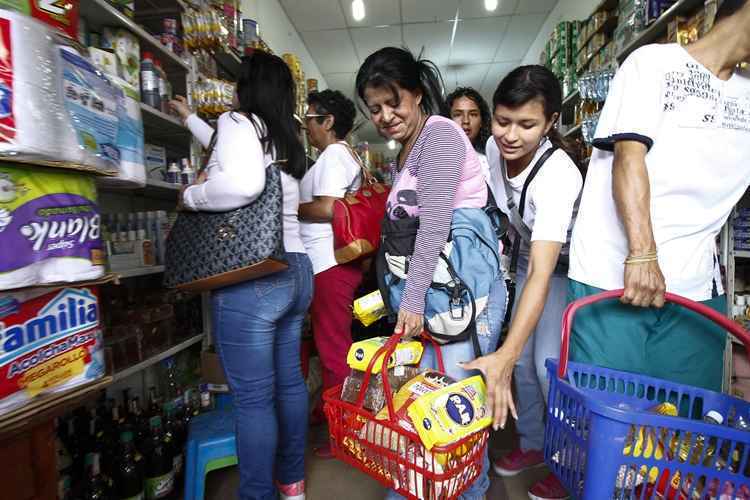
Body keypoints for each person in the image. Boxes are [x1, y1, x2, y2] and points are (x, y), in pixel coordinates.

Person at [567, 0, 750, 395]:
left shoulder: (747, 96)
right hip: (613, 273)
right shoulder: (651, 64)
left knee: (685, 423)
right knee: (611, 420)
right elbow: (629, 158)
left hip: (695, 283)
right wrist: (643, 254)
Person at [356, 46, 507, 500]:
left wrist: (414, 301)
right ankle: (427, 485)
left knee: (458, 411)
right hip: (440, 296)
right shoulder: (410, 149)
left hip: (460, 299)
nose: (384, 115)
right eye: (374, 108)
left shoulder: (438, 136)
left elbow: (436, 224)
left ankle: (466, 490)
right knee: (433, 405)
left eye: (393, 102)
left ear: (417, 94)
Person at [169, 50, 311, 500]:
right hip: (296, 270)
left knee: (253, 399)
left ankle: (256, 495)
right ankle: (292, 482)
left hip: (254, 276)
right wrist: (191, 119)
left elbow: (242, 182)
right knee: (288, 382)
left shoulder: (238, 122)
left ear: (244, 87)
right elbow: (235, 154)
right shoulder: (285, 135)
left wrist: (192, 196)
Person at [464, 65, 583, 500]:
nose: (510, 135)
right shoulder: (494, 152)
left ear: (551, 122)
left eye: (527, 125)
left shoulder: (558, 175)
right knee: (528, 374)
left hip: (562, 271)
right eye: (502, 121)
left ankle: (572, 466)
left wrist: (506, 354)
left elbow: (542, 269)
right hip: (524, 263)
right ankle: (535, 446)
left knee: (548, 368)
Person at [296, 89, 362, 455]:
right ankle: (332, 412)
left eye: (310, 119)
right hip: (326, 265)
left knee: (334, 349)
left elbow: (326, 209)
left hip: (329, 265)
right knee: (327, 345)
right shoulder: (333, 156)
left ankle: (346, 436)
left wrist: (289, 206)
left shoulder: (335, 155)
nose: (307, 126)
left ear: (328, 122)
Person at [447, 87, 492, 181]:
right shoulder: (436, 160)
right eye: (458, 114)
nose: (466, 121)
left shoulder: (491, 161)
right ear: (447, 120)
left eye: (473, 114)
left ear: (481, 122)